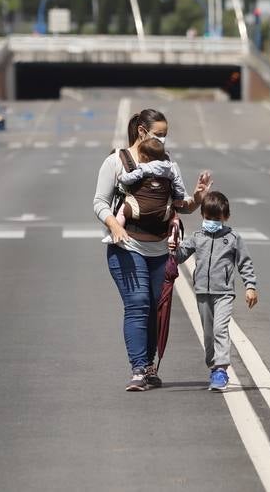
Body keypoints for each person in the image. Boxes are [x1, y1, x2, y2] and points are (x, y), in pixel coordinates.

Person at [94, 108, 207, 391]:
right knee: (138, 303)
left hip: (159, 250)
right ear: (142, 132)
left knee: (155, 308)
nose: (163, 139)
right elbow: (99, 202)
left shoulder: (167, 164)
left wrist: (198, 198)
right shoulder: (116, 161)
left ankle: (150, 366)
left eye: (166, 135)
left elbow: (180, 205)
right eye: (159, 134)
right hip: (126, 246)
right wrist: (115, 226)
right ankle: (138, 369)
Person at [170, 191, 258, 392]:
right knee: (208, 334)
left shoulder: (233, 238)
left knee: (220, 329)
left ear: (225, 217)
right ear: (202, 216)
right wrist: (172, 250)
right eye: (208, 218)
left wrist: (250, 286)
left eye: (216, 219)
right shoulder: (197, 237)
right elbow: (180, 256)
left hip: (224, 293)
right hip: (202, 292)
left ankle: (221, 369)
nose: (211, 222)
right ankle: (213, 365)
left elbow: (245, 264)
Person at [114, 137, 186, 226]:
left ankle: (116, 230)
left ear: (145, 157)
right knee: (173, 214)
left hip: (140, 208)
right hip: (162, 210)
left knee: (123, 210)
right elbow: (178, 182)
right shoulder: (170, 168)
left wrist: (121, 178)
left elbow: (131, 178)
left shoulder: (145, 168)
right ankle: (173, 234)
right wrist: (179, 197)